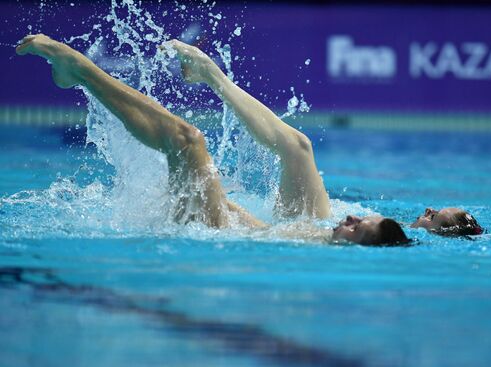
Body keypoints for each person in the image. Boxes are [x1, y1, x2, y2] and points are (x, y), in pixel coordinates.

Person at [16, 33, 410, 246]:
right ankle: (210, 74)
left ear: (357, 250)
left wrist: (217, 203)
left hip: (217, 231)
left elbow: (250, 245)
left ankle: (78, 70)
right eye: (363, 219)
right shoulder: (322, 236)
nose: (354, 218)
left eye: (359, 228)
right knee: (300, 147)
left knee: (187, 138)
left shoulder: (317, 258)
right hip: (244, 222)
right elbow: (266, 231)